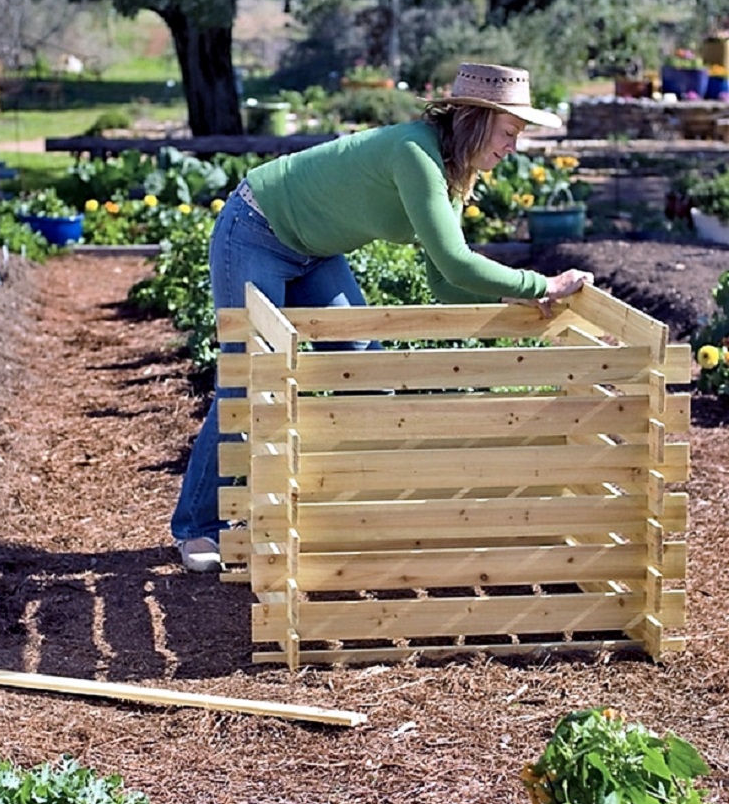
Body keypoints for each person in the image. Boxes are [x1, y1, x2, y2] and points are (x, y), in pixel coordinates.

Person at [172, 62, 593, 571]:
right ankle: (197, 527)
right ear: (479, 120)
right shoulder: (414, 154)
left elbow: (444, 279)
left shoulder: (452, 170)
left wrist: (520, 300)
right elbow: (458, 264)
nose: (512, 148)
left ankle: (361, 511)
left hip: (315, 253)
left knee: (363, 367)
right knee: (249, 379)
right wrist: (540, 284)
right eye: (509, 133)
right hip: (256, 228)